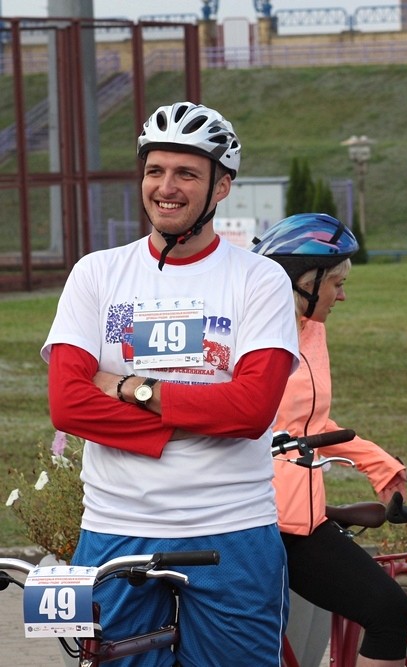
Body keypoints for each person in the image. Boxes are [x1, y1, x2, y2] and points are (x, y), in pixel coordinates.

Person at [41, 101, 300, 665]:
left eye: (187, 173)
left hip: (230, 528)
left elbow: (252, 409)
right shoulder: (97, 273)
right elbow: (68, 404)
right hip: (116, 527)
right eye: (155, 171)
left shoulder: (261, 280)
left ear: (221, 187)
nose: (167, 187)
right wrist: (189, 424)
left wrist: (134, 389)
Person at [251, 212, 407, 667]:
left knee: (388, 608)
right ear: (302, 281)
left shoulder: (313, 329)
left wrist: (379, 464)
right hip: (255, 520)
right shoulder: (250, 331)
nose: (343, 294)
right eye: (335, 282)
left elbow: (311, 423)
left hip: (302, 521)